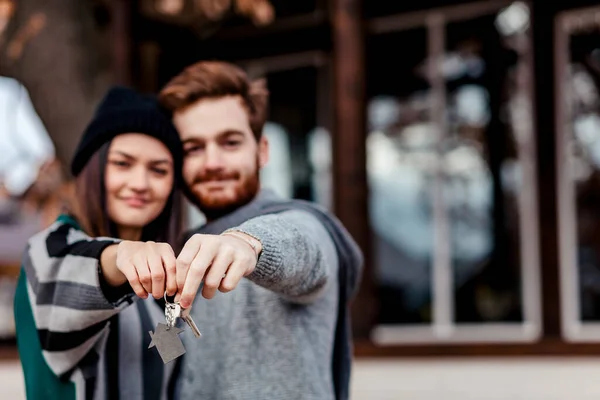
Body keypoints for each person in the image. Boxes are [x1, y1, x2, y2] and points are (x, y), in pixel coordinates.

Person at [155, 60, 363, 400]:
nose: (212, 162)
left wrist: (249, 244)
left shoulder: (305, 223)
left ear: (262, 150)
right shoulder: (182, 252)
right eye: (194, 148)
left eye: (230, 142)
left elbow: (303, 249)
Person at [14, 86, 185, 400]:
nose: (140, 184)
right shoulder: (48, 250)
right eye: (122, 164)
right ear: (92, 167)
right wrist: (122, 255)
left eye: (158, 170)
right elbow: (73, 276)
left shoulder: (165, 278)